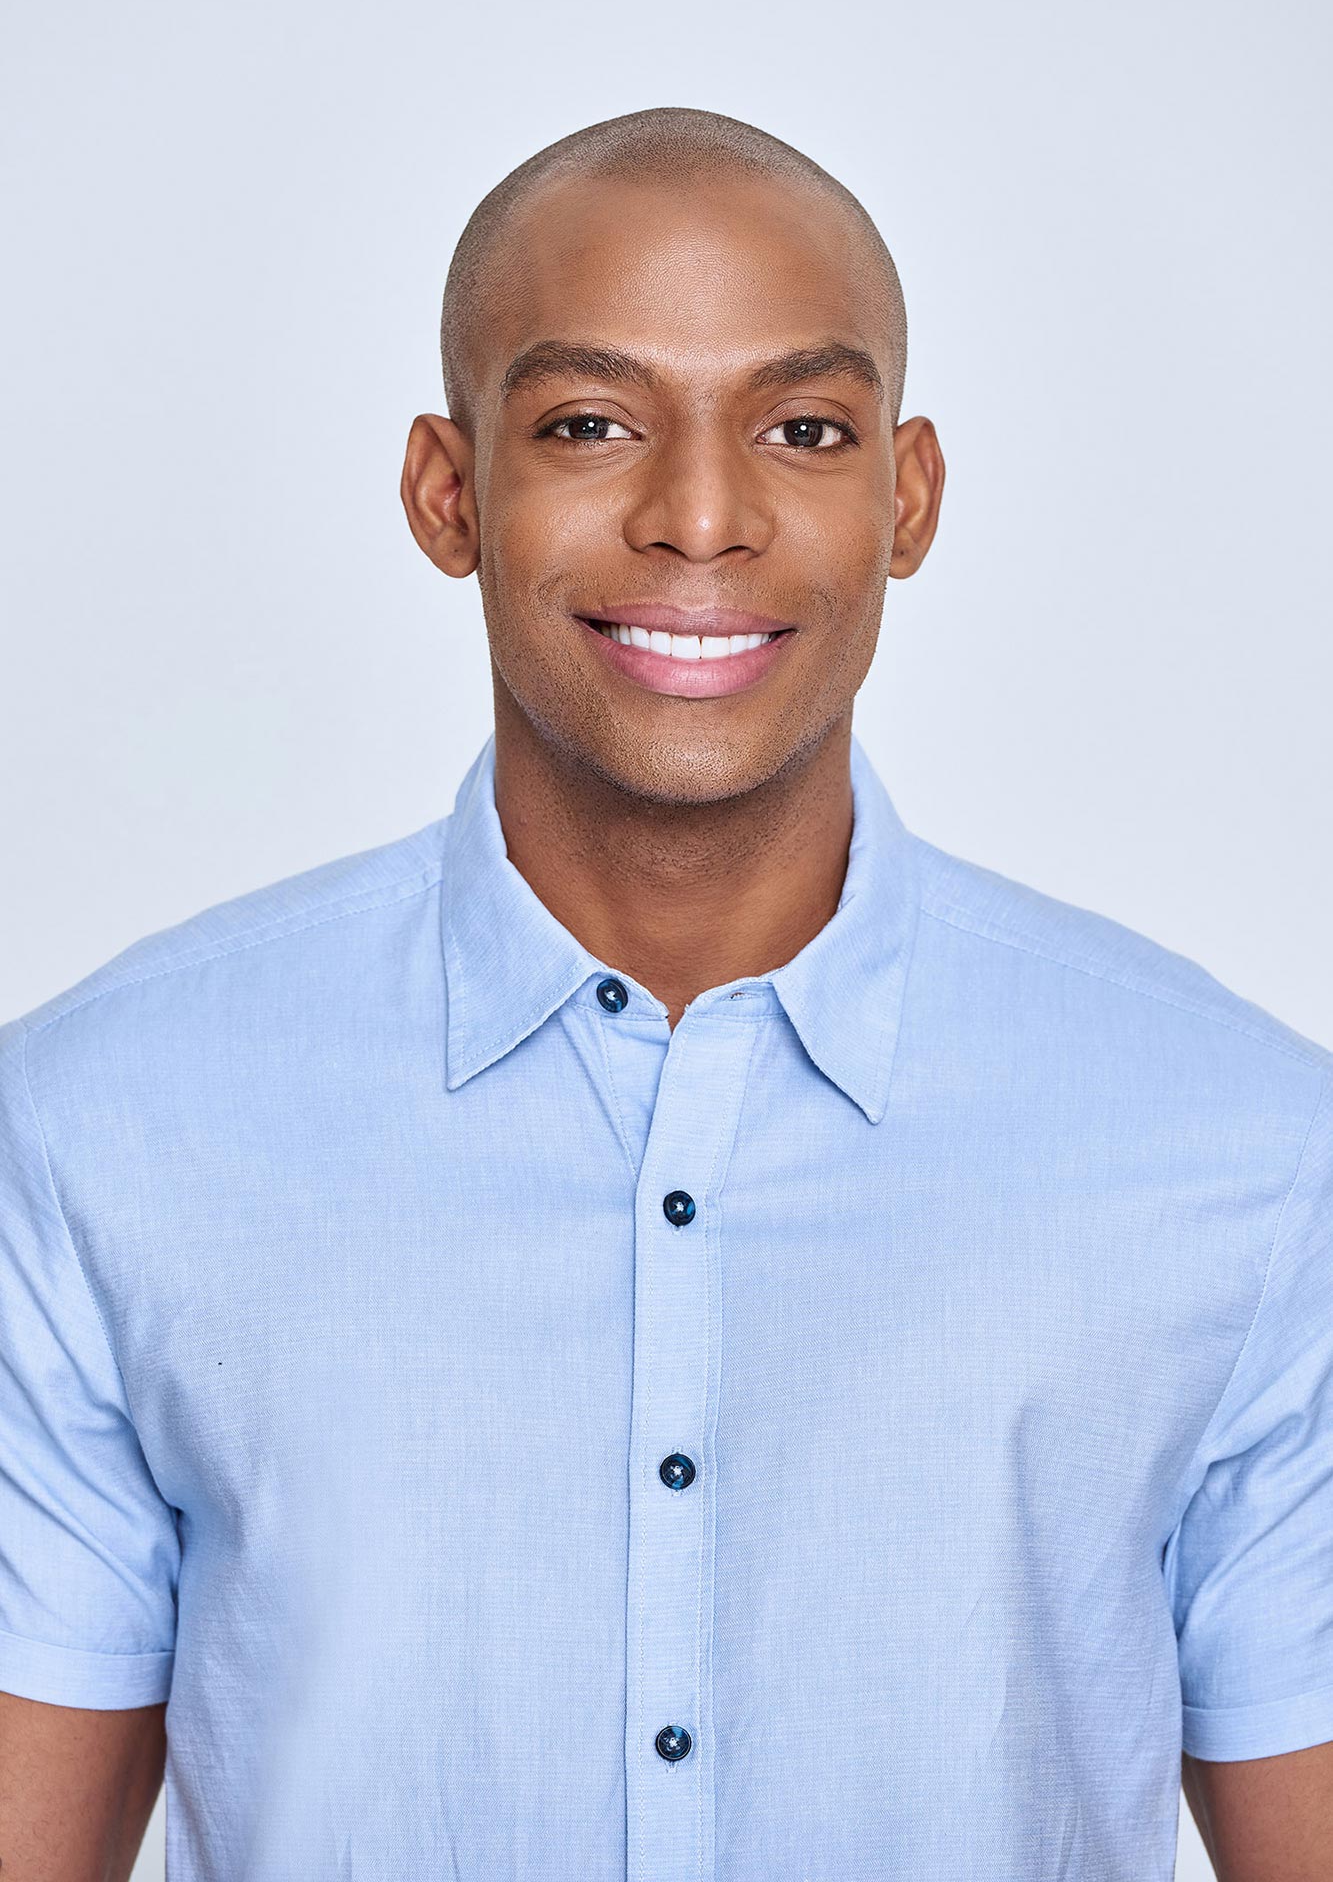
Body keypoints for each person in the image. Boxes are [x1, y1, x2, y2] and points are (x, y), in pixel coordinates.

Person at [1, 105, 1329, 1882]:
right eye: (588, 424)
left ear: (907, 496)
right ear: (448, 492)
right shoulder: (99, 1129)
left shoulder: (1247, 1154)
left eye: (801, 428)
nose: (699, 517)